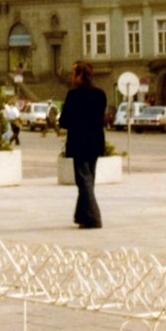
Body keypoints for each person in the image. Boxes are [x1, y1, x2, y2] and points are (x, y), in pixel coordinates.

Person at [58, 61, 108, 229]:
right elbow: (101, 119)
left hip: (79, 142)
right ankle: (82, 216)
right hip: (95, 142)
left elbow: (64, 121)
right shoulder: (100, 94)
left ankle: (94, 218)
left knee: (84, 181)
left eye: (73, 74)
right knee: (89, 179)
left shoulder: (73, 95)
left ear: (80, 76)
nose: (71, 78)